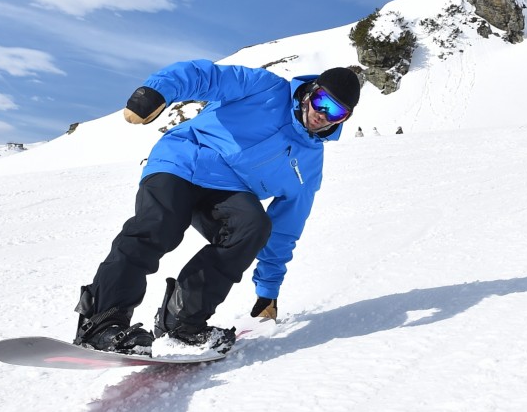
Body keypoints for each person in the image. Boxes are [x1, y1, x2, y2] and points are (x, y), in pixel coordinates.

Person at [74, 62, 362, 355]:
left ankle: (182, 323)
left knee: (254, 226)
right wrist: (157, 90)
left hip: (227, 187)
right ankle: (102, 322)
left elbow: (286, 230)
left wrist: (267, 292)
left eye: (337, 112)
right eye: (322, 102)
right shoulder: (266, 88)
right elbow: (207, 76)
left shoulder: (310, 164)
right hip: (183, 158)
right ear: (310, 93)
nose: (323, 115)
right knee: (161, 224)